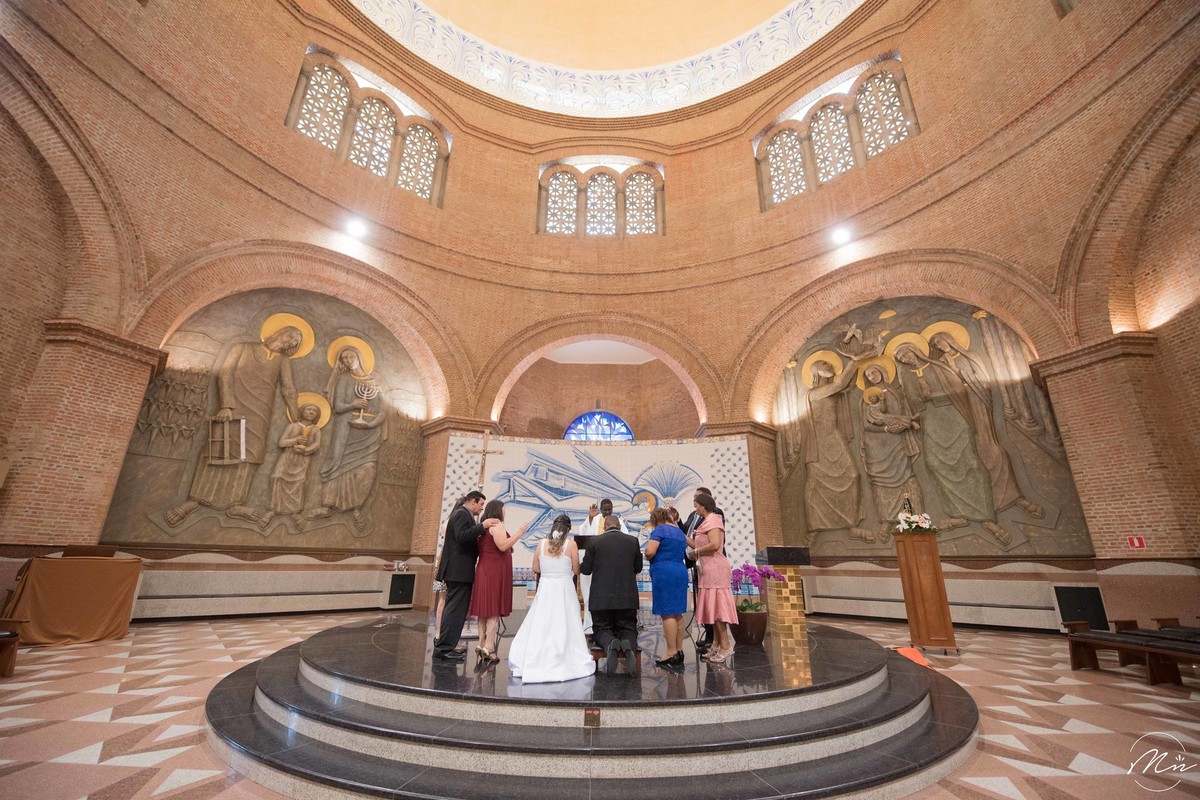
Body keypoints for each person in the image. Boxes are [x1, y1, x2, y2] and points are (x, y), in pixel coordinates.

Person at [164, 325, 302, 527]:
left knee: (249, 453)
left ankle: (236, 504)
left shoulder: (282, 361)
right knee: (218, 448)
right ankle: (193, 500)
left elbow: (289, 389)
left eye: (295, 342)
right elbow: (225, 373)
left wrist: (296, 417)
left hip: (260, 411)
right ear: (278, 332)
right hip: (234, 406)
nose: (290, 341)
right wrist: (226, 405)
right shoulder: (243, 347)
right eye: (291, 335)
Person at [507, 514, 596, 683]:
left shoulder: (540, 544)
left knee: (543, 620)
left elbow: (535, 567)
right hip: (563, 589)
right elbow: (577, 570)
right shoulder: (571, 545)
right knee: (564, 621)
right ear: (568, 529)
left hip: (546, 589)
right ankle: (563, 656)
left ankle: (537, 655)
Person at [310, 345, 386, 533]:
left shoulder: (373, 381)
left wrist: (370, 424)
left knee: (367, 470)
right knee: (338, 465)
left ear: (359, 356)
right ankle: (327, 506)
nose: (348, 359)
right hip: (346, 430)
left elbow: (382, 410)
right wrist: (354, 404)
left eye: (351, 355)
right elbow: (337, 406)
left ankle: (357, 507)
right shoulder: (344, 379)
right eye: (344, 358)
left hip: (368, 433)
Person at [581, 514, 643, 677]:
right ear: (620, 527)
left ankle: (610, 643)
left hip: (601, 598)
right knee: (628, 627)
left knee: (601, 628)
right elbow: (638, 568)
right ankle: (628, 645)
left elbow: (586, 570)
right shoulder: (632, 541)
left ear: (604, 527)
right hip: (627, 597)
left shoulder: (594, 542)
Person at [468, 499, 529, 663]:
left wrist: (510, 544)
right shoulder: (497, 526)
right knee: (493, 611)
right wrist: (520, 533)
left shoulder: (484, 528)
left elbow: (497, 546)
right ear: (498, 510)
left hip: (483, 569)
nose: (505, 512)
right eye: (503, 509)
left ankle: (481, 644)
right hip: (494, 572)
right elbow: (502, 546)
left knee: (483, 611)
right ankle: (489, 647)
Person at [432, 490, 487, 661]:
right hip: (457, 571)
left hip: (460, 571)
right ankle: (443, 648)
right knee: (454, 610)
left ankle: (449, 645)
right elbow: (462, 536)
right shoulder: (462, 514)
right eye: (480, 504)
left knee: (457, 610)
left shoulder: (463, 515)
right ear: (472, 501)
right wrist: (482, 527)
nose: (481, 509)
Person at [686, 493, 737, 664]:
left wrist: (697, 552)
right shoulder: (706, 521)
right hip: (707, 570)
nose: (695, 508)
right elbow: (698, 544)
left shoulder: (714, 519)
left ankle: (726, 646)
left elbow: (715, 545)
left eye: (697, 505)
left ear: (704, 505)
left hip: (716, 569)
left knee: (718, 610)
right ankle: (715, 644)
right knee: (712, 609)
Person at [258, 402, 322, 531]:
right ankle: (272, 510)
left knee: (298, 483)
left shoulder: (316, 430)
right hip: (287, 457)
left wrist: (306, 450)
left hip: (302, 460)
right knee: (277, 478)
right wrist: (296, 440)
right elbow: (281, 442)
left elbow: (317, 445)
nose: (311, 412)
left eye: (314, 411)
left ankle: (295, 512)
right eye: (308, 409)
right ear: (301, 411)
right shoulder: (292, 426)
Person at [674, 487, 723, 652]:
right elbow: (686, 533)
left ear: (706, 500)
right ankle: (710, 636)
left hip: (710, 561)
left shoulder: (716, 514)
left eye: (697, 499)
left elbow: (714, 542)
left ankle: (713, 639)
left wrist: (698, 551)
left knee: (712, 601)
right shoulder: (692, 515)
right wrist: (676, 521)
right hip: (696, 561)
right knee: (702, 599)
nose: (694, 502)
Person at [575, 498, 628, 637]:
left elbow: (627, 539)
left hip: (612, 566)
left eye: (610, 509)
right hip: (596, 563)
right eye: (605, 509)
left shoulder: (618, 522)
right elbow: (584, 533)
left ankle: (610, 627)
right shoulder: (595, 519)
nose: (607, 512)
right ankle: (590, 626)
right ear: (600, 508)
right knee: (591, 596)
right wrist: (590, 518)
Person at [645, 506, 688, 667]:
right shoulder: (678, 531)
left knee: (667, 613)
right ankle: (679, 650)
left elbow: (650, 551)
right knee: (677, 613)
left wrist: (645, 553)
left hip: (664, 572)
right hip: (680, 570)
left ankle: (670, 652)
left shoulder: (659, 530)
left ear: (655, 519)